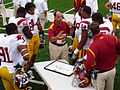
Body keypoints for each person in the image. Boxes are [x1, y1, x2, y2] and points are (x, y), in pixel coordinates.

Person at [85, 21, 120, 90]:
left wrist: (87, 70)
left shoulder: (92, 47)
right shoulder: (112, 37)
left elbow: (89, 64)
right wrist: (117, 59)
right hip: (112, 71)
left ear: (90, 33)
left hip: (100, 74)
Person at [0, 23, 29, 90]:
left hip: (2, 70)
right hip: (14, 71)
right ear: (15, 31)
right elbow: (26, 56)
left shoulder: (1, 37)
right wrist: (21, 64)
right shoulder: (17, 38)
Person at [25, 2, 43, 70]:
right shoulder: (26, 16)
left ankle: (32, 65)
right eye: (31, 10)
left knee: (35, 52)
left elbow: (38, 23)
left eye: (33, 9)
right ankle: (27, 68)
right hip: (29, 37)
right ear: (27, 10)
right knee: (29, 54)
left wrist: (41, 32)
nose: (32, 11)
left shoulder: (36, 13)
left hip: (36, 35)